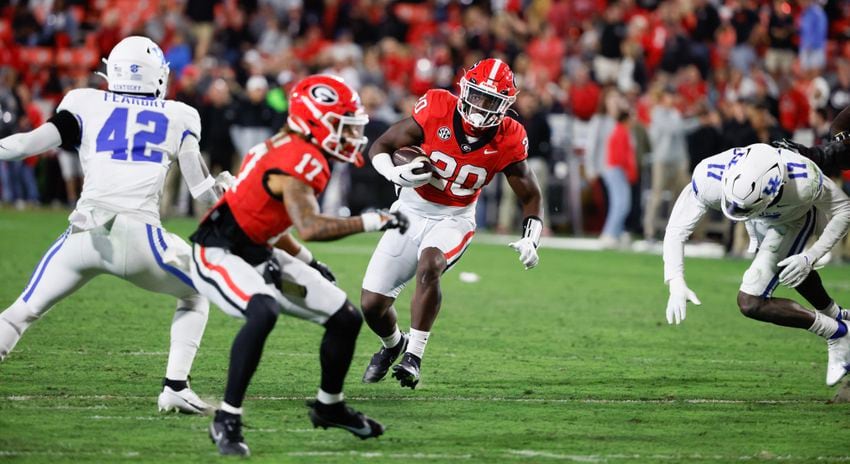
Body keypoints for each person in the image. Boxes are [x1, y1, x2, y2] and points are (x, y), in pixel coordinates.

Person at [0, 36, 226, 414]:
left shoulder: (83, 102)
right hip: (141, 238)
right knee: (197, 292)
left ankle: (176, 389)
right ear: (157, 75)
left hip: (84, 235)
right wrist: (225, 186)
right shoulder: (180, 115)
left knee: (20, 312)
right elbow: (203, 194)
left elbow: (24, 146)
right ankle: (174, 387)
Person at [189, 74, 409, 456]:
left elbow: (272, 222)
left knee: (345, 318)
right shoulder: (298, 158)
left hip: (259, 247)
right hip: (219, 250)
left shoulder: (294, 147)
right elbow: (309, 225)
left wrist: (308, 262)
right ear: (313, 122)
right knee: (263, 312)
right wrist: (374, 220)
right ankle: (227, 418)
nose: (351, 137)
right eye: (343, 128)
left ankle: (329, 406)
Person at [360, 58, 544, 389]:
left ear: (506, 104)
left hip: (454, 218)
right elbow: (382, 145)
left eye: (490, 101)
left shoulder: (509, 137)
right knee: (372, 305)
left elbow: (530, 194)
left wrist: (532, 237)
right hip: (408, 211)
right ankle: (394, 345)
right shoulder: (437, 107)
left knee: (430, 265)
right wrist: (395, 173)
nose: (479, 106)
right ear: (463, 90)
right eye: (476, 95)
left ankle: (413, 356)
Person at [662, 143, 850, 386]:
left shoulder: (803, 180)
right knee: (788, 268)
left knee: (751, 300)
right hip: (763, 216)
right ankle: (839, 317)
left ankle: (837, 333)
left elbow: (844, 208)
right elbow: (677, 229)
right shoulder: (710, 175)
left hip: (794, 218)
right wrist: (675, 280)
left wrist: (811, 255)